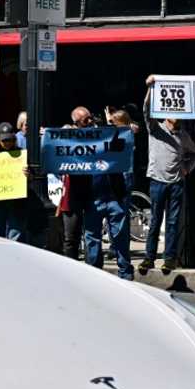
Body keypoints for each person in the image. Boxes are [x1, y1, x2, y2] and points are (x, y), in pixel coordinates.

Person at [138, 76, 195, 275]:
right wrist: (150, 88)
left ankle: (169, 259)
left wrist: (187, 168)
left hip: (176, 183)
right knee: (155, 220)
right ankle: (149, 258)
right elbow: (146, 111)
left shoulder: (183, 135)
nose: (176, 116)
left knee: (173, 222)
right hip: (157, 181)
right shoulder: (156, 129)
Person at [85, 111, 134, 281]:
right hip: (93, 196)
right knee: (92, 238)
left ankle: (126, 275)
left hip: (116, 195)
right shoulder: (85, 140)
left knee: (120, 238)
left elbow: (130, 131)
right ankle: (94, 276)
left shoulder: (119, 136)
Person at [60, 107, 95, 259]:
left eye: (90, 117)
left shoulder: (96, 134)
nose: (90, 121)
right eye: (86, 120)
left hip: (91, 189)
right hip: (71, 192)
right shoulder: (67, 133)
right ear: (76, 123)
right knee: (71, 237)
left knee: (92, 235)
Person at [0, 122, 26, 241]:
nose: (7, 143)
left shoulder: (21, 153)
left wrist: (28, 175)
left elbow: (31, 177)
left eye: (9, 140)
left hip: (16, 200)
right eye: (4, 140)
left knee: (15, 233)